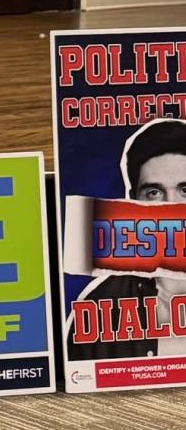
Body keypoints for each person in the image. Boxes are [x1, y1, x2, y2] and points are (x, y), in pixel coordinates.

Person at [68, 118, 186, 361]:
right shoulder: (102, 307)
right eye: (154, 193)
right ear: (134, 202)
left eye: (185, 190)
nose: (171, 206)